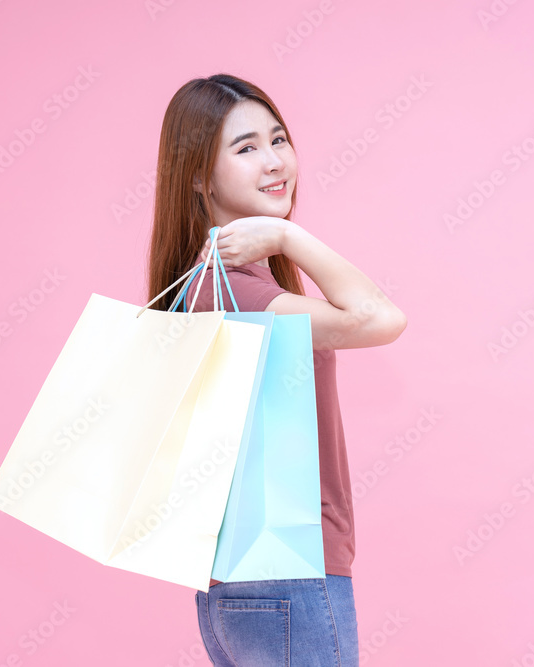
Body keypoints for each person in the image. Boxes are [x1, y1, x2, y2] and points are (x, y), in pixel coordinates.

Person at [145, 73, 407, 667]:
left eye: (278, 139)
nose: (274, 161)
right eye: (245, 148)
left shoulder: (216, 287)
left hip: (241, 584)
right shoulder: (235, 291)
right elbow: (379, 318)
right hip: (288, 574)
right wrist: (289, 235)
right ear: (197, 176)